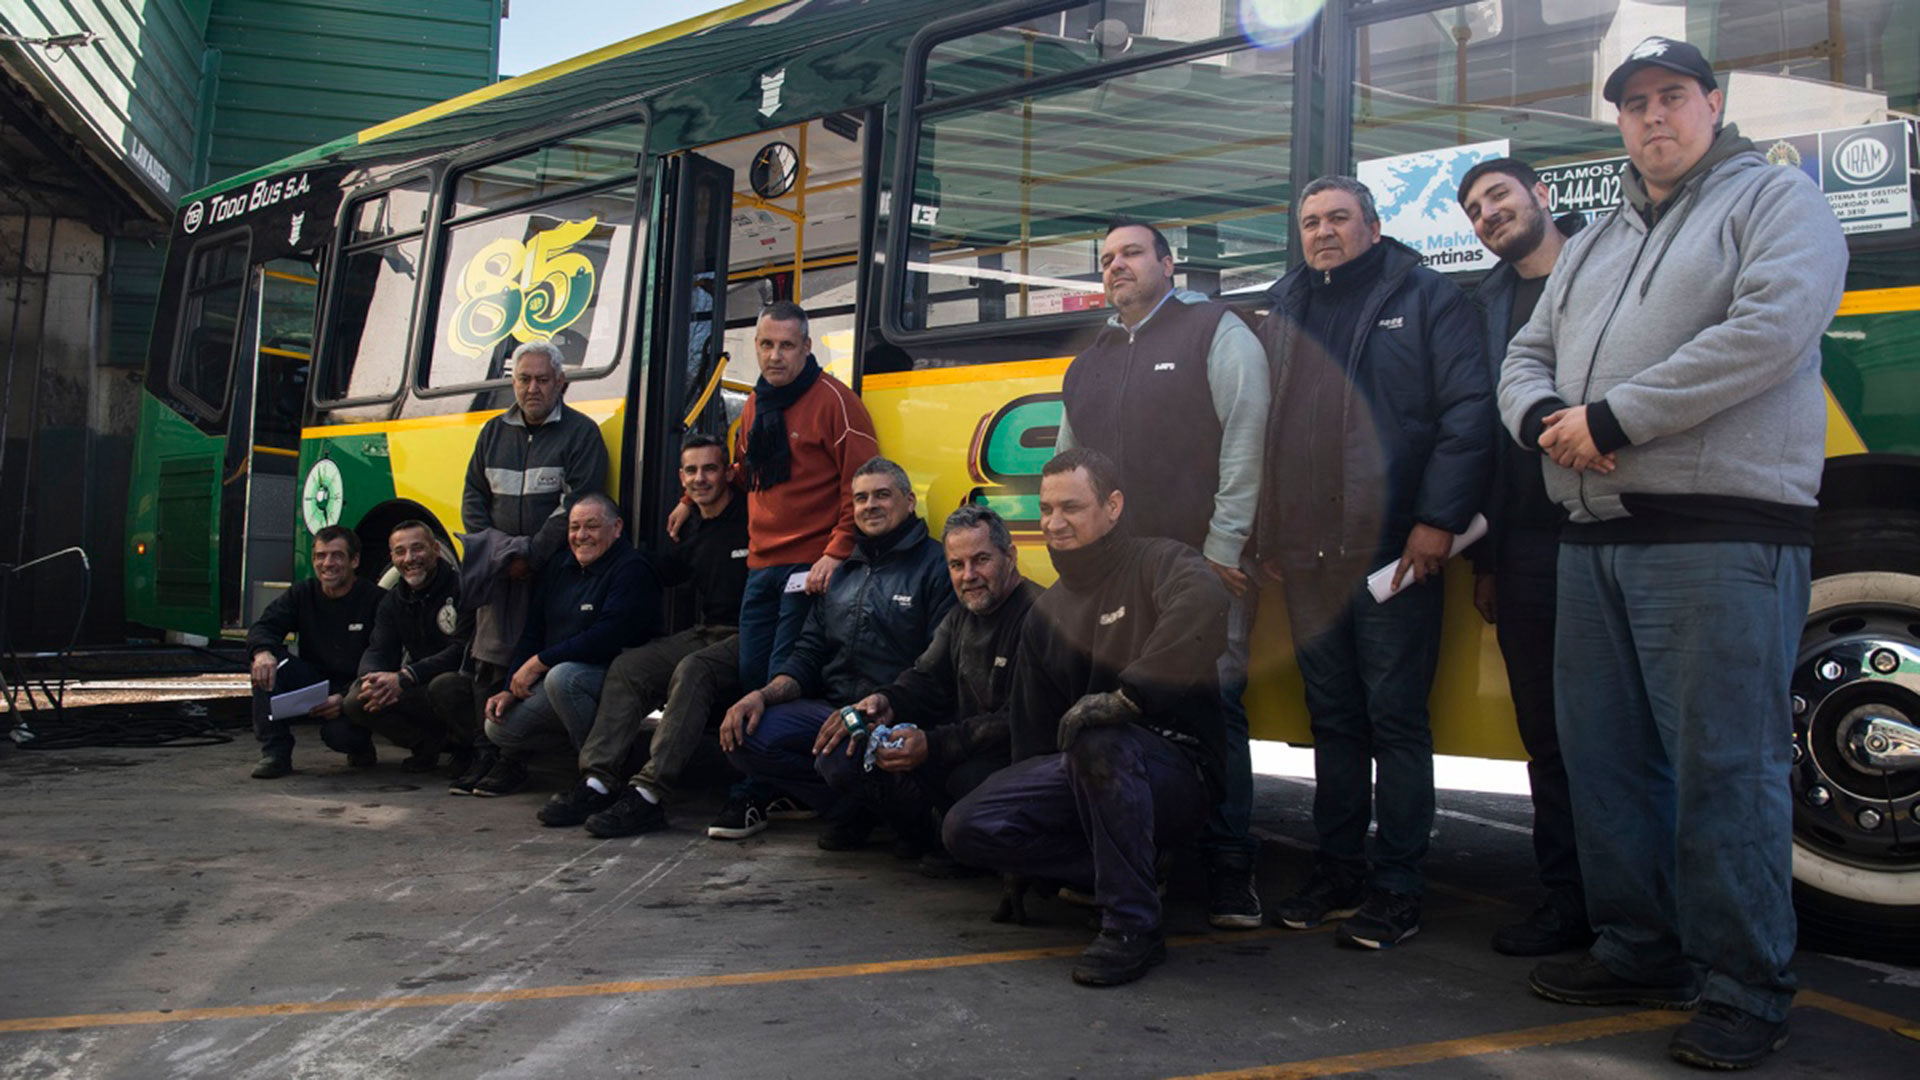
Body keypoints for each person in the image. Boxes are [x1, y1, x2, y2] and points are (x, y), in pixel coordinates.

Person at [1497, 37, 1847, 1070]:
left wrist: (1616, 416)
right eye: (1635, 104)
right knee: (1604, 763)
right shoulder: (1597, 239)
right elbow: (1525, 349)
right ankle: (1640, 948)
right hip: (1592, 535)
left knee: (1724, 771)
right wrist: (1543, 419)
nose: (1654, 116)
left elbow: (1772, 328)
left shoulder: (1777, 204)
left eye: (1672, 97)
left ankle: (1746, 986)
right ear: (1618, 123)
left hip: (1719, 535)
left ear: (1712, 102)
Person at [1254, 175, 1491, 949]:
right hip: (1307, 556)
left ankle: (1397, 886)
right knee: (1334, 722)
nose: (1324, 231)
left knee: (1396, 721)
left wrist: (1437, 523)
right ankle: (1337, 870)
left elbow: (1466, 415)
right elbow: (1261, 429)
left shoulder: (1428, 298)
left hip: (1393, 551)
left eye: (1339, 218)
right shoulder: (1285, 307)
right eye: (1311, 220)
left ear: (1375, 224)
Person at [944, 449, 1229, 987]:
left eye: (1071, 506)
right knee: (966, 826)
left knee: (1100, 740)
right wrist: (1019, 866)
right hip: (1087, 771)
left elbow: (1206, 605)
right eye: (1047, 508)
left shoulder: (1162, 561)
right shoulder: (1046, 615)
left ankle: (1132, 927)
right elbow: (1033, 740)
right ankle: (1138, 871)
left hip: (1178, 771)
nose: (1054, 522)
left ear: (1113, 505)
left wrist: (1130, 698)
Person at [1056, 220, 1270, 930]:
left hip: (1197, 570)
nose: (1116, 266)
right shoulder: (1087, 365)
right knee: (1119, 707)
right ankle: (1134, 858)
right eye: (1106, 258)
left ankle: (1229, 866)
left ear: (1168, 263)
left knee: (1216, 708)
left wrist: (1223, 549)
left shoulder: (1215, 330)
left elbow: (1245, 436)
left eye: (1131, 254)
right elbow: (1067, 472)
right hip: (1114, 579)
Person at [1454, 157, 1593, 957]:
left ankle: (1643, 911)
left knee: (1626, 735)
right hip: (1530, 545)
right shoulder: (1485, 305)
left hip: (1616, 532)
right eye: (1475, 209)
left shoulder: (1610, 267)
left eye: (1499, 196)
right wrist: (1491, 563)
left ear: (1543, 195)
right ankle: (1568, 900)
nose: (1489, 214)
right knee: (1548, 735)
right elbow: (1486, 445)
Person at [713, 457, 954, 840]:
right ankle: (855, 809)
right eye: (860, 498)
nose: (870, 505)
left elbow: (938, 665)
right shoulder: (841, 573)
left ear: (909, 502)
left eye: (882, 495)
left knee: (839, 757)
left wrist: (879, 705)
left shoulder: (938, 566)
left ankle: (913, 824)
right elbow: (808, 652)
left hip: (897, 714)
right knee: (744, 736)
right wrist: (761, 696)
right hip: (834, 710)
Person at [541, 434, 750, 835]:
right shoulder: (690, 529)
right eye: (691, 471)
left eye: (710, 469)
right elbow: (661, 570)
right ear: (681, 477)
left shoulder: (751, 514)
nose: (701, 478)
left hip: (751, 632)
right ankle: (598, 780)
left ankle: (649, 795)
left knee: (693, 670)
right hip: (707, 631)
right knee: (630, 665)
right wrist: (604, 550)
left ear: (727, 472)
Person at [814, 504, 1041, 862]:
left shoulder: (1038, 615)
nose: (968, 575)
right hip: (957, 749)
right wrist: (884, 701)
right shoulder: (960, 616)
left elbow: (1022, 721)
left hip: (1013, 762)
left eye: (981, 560)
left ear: (1010, 556)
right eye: (956, 565)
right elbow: (925, 679)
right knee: (844, 755)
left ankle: (965, 850)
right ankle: (925, 836)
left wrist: (933, 745)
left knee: (964, 779)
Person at [676, 301, 877, 691]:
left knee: (782, 681)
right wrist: (688, 501)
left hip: (809, 566)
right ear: (755, 345)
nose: (775, 356)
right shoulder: (755, 403)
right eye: (766, 344)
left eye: (786, 346)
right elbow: (741, 473)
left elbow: (863, 486)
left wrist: (836, 552)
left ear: (806, 346)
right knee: (751, 676)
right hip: (760, 566)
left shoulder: (837, 401)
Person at [453, 339, 611, 791]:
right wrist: (500, 554)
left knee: (526, 660)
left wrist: (530, 556)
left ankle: (513, 761)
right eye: (524, 379)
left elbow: (574, 506)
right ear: (513, 382)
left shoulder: (581, 434)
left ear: (561, 383)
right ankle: (486, 755)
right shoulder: (492, 433)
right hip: (499, 570)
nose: (533, 388)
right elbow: (472, 499)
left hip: (550, 572)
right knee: (487, 660)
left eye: (543, 380)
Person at [477, 493, 658, 797]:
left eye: (592, 526)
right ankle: (613, 745)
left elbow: (606, 636)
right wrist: (510, 687)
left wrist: (539, 663)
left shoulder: (632, 568)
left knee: (564, 679)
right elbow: (533, 632)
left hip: (616, 676)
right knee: (499, 728)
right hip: (563, 677)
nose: (581, 536)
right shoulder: (559, 567)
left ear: (616, 528)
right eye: (574, 527)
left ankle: (601, 771)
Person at [244, 525, 384, 778]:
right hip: (313, 682)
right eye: (320, 556)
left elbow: (384, 660)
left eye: (336, 555)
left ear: (354, 561)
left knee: (339, 736)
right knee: (267, 666)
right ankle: (275, 753)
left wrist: (344, 699)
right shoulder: (303, 593)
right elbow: (264, 627)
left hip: (356, 689)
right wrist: (263, 652)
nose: (327, 563)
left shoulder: (376, 600)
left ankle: (361, 747)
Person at [342, 521, 474, 773]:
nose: (410, 558)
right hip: (417, 686)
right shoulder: (392, 601)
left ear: (436, 549)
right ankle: (426, 745)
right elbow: (378, 649)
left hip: (461, 683)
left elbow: (462, 650)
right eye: (400, 552)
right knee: (357, 698)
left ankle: (469, 750)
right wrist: (371, 679)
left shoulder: (462, 588)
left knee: (445, 686)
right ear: (392, 557)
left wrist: (406, 676)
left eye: (418, 549)